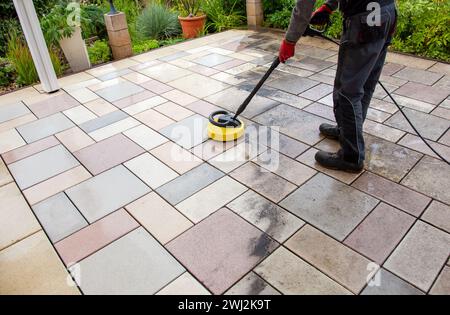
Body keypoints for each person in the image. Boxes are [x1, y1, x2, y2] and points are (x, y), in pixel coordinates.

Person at [279, 0, 397, 172]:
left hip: (365, 20)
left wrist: (289, 41)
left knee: (349, 91)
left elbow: (304, 5)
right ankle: (347, 131)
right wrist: (329, 6)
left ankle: (351, 156)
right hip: (387, 13)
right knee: (365, 81)